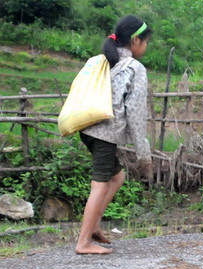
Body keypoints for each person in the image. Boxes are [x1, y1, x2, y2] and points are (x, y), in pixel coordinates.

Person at [75, 15, 153, 254]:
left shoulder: (100, 60)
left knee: (117, 177)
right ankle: (83, 243)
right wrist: (144, 154)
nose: (146, 47)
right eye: (146, 42)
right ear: (136, 40)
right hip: (105, 132)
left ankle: (94, 227)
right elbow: (136, 113)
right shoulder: (134, 68)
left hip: (86, 126)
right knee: (100, 184)